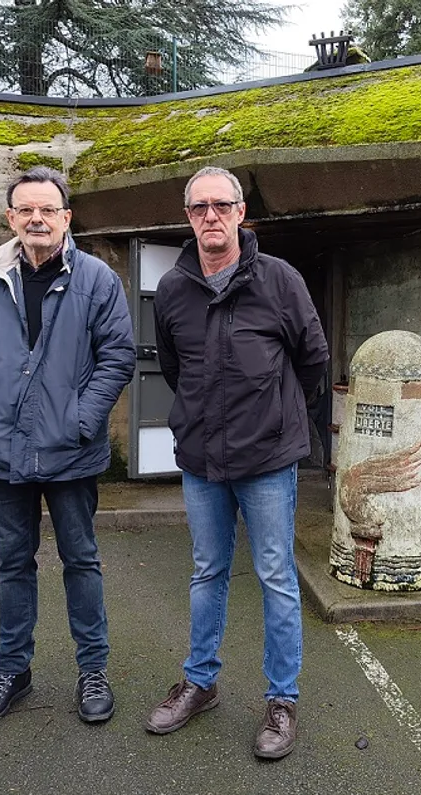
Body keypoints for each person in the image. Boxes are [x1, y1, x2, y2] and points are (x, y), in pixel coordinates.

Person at [147, 166, 328, 759]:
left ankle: (282, 700)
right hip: (202, 457)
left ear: (240, 212)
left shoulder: (280, 280)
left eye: (221, 206)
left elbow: (312, 359)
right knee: (208, 571)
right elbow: (174, 368)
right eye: (199, 208)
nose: (211, 217)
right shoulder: (173, 290)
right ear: (188, 217)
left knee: (276, 575)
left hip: (268, 458)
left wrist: (277, 414)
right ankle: (200, 683)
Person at [0, 166, 135, 726]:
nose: (37, 219)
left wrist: (82, 419)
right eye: (26, 209)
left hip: (70, 451)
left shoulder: (96, 279)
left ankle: (93, 670)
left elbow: (117, 356)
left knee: (81, 560)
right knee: (12, 564)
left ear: (66, 218)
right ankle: (13, 670)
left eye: (48, 210)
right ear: (11, 218)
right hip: (3, 450)